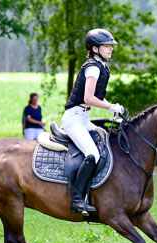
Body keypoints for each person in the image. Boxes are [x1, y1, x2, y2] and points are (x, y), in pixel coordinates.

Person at [62, 28, 125, 213]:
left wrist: (113, 106)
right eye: (107, 46)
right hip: (74, 119)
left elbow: (97, 97)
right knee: (93, 154)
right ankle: (78, 200)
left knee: (105, 142)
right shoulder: (92, 67)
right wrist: (109, 107)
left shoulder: (102, 66)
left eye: (111, 46)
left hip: (84, 118)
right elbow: (88, 98)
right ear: (95, 48)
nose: (111, 49)